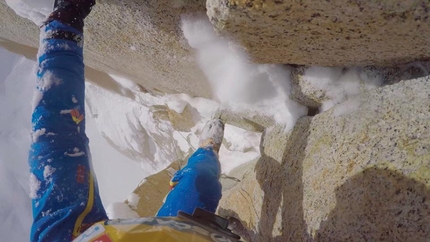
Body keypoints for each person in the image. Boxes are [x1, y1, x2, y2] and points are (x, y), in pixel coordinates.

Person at [29, 0, 229, 241]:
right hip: (178, 235)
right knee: (202, 181)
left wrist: (62, 30)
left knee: (201, 178)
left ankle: (207, 150)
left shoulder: (60, 232)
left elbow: (55, 137)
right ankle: (207, 152)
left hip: (132, 234)